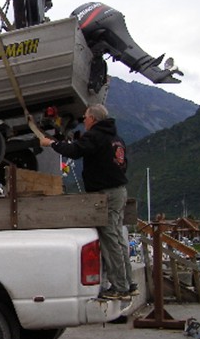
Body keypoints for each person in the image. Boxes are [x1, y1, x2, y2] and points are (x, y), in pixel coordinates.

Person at [39, 104, 132, 300]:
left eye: (86, 117)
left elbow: (75, 152)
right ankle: (128, 283)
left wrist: (52, 144)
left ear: (94, 119)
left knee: (110, 239)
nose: (84, 119)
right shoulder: (116, 138)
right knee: (118, 238)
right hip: (119, 191)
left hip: (105, 193)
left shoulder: (96, 136)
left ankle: (119, 287)